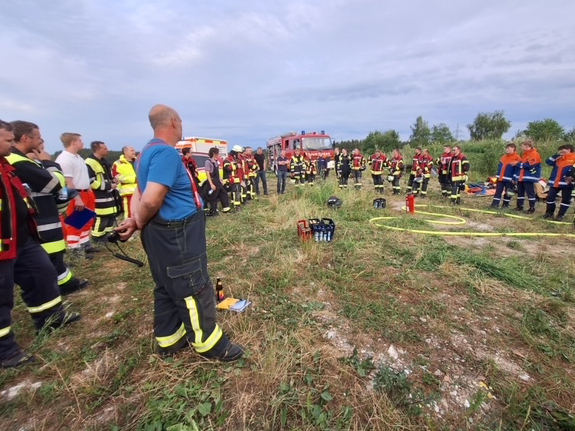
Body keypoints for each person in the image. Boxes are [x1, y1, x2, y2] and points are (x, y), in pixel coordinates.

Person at [116, 104, 243, 361]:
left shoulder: (144, 155)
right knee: (193, 285)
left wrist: (135, 220)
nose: (182, 125)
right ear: (174, 122)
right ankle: (210, 344)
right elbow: (151, 200)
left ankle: (170, 339)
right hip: (177, 234)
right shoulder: (165, 154)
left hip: (158, 232)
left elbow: (139, 194)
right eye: (181, 121)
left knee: (166, 285)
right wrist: (138, 220)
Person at [0, 120, 81, 368]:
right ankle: (5, 350)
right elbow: (54, 184)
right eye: (8, 140)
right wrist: (49, 163)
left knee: (43, 273)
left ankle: (50, 318)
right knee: (2, 297)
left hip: (23, 236)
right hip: (6, 241)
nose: (13, 145)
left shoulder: (6, 165)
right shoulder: (24, 162)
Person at [8, 121, 88, 296]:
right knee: (50, 255)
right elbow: (54, 183)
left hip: (48, 214)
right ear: (25, 138)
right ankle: (61, 284)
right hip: (41, 220)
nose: (41, 141)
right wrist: (47, 162)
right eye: (38, 137)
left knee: (55, 256)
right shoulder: (18, 161)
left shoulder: (24, 160)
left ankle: (66, 283)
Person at [55, 133, 98, 255]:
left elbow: (82, 177)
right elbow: (68, 182)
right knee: (74, 222)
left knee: (86, 219)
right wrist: (77, 198)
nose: (82, 143)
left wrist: (89, 191)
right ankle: (74, 249)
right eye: (80, 140)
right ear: (73, 142)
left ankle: (84, 243)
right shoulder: (65, 159)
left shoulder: (78, 158)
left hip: (85, 192)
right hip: (74, 194)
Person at [85, 141, 120, 242]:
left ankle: (106, 235)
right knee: (102, 217)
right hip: (98, 195)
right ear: (98, 150)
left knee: (111, 215)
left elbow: (107, 176)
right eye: (104, 148)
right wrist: (108, 185)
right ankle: (97, 237)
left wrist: (113, 180)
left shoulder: (105, 162)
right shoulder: (89, 162)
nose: (107, 149)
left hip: (109, 194)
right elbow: (91, 181)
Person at [544, 144, 575, 221]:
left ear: (569, 150)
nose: (561, 151)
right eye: (560, 149)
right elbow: (548, 162)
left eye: (563, 149)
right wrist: (556, 156)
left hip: (567, 183)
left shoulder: (573, 158)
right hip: (555, 182)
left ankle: (560, 215)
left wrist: (572, 177)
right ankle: (549, 213)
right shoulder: (558, 158)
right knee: (549, 197)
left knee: (566, 200)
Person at [490, 143, 521, 208]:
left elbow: (518, 170)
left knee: (509, 192)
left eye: (508, 148)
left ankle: (505, 205)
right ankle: (495, 204)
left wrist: (514, 178)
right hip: (500, 178)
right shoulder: (503, 157)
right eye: (506, 148)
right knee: (498, 191)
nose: (507, 150)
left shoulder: (517, 158)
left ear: (513, 148)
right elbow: (500, 167)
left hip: (510, 179)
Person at [514, 140, 542, 213]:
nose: (521, 147)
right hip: (522, 177)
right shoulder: (525, 154)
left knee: (530, 193)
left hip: (529, 177)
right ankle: (519, 206)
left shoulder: (534, 154)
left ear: (527, 146)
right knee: (520, 192)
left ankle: (532, 208)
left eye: (522, 146)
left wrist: (517, 164)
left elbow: (530, 165)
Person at [204, 147, 230, 216]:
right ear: (213, 153)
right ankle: (213, 211)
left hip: (217, 180)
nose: (218, 154)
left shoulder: (215, 161)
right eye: (217, 153)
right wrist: (211, 184)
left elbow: (217, 172)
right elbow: (208, 174)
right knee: (213, 196)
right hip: (212, 181)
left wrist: (220, 179)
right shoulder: (208, 162)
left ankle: (226, 208)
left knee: (223, 193)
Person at [112, 146, 137, 218]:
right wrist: (135, 179)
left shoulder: (138, 161)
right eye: (132, 150)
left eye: (134, 150)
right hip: (128, 193)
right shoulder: (118, 163)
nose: (134, 152)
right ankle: (127, 228)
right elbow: (117, 177)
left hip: (140, 192)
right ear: (125, 152)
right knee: (129, 214)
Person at [223, 146, 245, 210]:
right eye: (238, 153)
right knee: (235, 192)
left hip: (237, 179)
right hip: (231, 179)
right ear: (235, 153)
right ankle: (237, 207)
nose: (239, 155)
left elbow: (239, 171)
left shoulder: (236, 159)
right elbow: (227, 168)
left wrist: (241, 179)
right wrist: (236, 166)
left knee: (235, 192)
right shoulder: (227, 159)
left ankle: (234, 204)